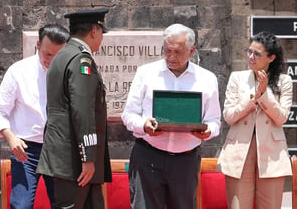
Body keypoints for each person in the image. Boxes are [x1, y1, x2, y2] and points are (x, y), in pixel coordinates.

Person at [121, 23, 221, 209]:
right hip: (148, 155)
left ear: (191, 51)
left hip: (185, 160)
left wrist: (207, 131)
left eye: (178, 52)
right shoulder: (146, 73)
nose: (171, 57)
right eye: (167, 51)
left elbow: (214, 121)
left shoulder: (206, 79)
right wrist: (144, 124)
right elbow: (128, 115)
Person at [0, 24, 69, 208]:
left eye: (58, 55)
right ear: (38, 45)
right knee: (21, 204)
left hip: (58, 149)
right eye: (48, 54)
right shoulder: (19, 71)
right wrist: (11, 138)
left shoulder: (69, 72)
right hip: (26, 150)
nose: (52, 60)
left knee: (64, 204)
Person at [36, 8, 112, 209]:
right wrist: (88, 158)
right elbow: (82, 110)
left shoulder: (63, 55)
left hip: (69, 158)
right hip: (75, 162)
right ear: (94, 31)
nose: (101, 38)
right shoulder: (80, 59)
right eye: (102, 32)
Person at [217, 31, 292, 209]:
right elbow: (228, 115)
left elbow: (281, 118)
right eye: (249, 51)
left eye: (257, 54)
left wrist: (264, 93)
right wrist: (253, 98)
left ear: (271, 58)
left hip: (271, 154)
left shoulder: (284, 81)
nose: (250, 57)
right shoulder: (237, 78)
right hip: (239, 152)